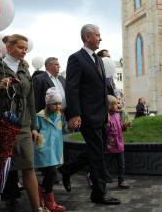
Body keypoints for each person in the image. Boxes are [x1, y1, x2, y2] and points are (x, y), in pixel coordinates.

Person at [63, 24, 120, 205]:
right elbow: (72, 88)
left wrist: (107, 115)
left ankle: (67, 170)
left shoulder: (98, 59)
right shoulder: (76, 59)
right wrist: (74, 114)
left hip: (101, 116)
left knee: (96, 151)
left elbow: (101, 90)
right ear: (88, 37)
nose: (100, 38)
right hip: (87, 116)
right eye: (97, 35)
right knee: (97, 156)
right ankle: (99, 193)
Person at [0, 34, 42, 212]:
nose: (24, 51)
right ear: (9, 47)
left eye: (26, 48)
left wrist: (33, 126)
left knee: (28, 166)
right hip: (0, 124)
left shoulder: (25, 70)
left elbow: (30, 99)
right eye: (20, 47)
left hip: (23, 126)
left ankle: (37, 207)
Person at [34, 87, 67, 212]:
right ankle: (48, 199)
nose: (58, 106)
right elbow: (35, 130)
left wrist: (69, 127)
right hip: (44, 150)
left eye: (59, 103)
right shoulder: (40, 117)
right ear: (48, 104)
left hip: (55, 150)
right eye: (55, 104)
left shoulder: (60, 115)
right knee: (52, 172)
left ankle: (43, 195)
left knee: (50, 173)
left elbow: (64, 129)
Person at [105, 95, 132, 189]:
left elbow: (121, 128)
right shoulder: (106, 117)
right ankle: (99, 177)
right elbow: (105, 130)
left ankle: (121, 180)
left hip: (120, 144)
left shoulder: (117, 115)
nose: (118, 105)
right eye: (116, 103)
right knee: (107, 163)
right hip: (110, 146)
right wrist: (107, 124)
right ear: (109, 105)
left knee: (122, 164)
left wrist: (125, 126)